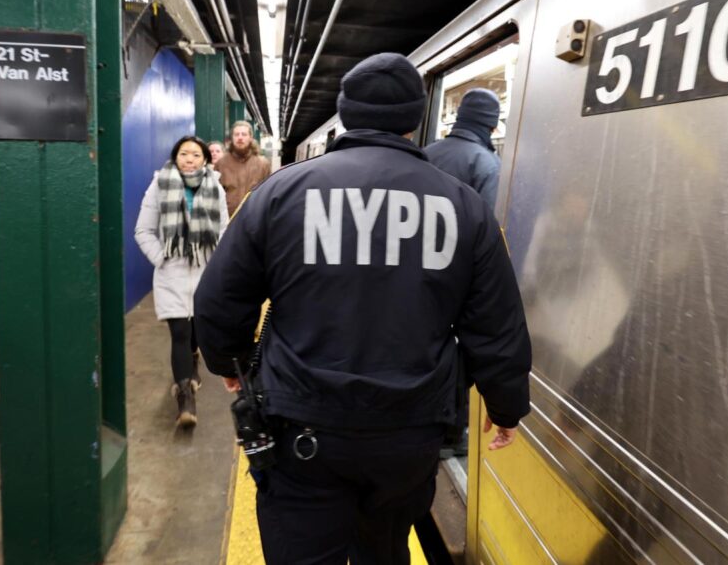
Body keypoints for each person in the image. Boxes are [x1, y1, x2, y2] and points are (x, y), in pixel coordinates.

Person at [195, 53, 531, 564]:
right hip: (409, 432)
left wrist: (231, 363)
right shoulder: (465, 207)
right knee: (386, 548)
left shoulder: (281, 193)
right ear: (416, 118)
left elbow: (219, 300)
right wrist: (506, 405)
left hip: (302, 429)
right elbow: (496, 325)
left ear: (345, 113)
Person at [423, 88, 503, 458]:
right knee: (456, 355)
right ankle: (449, 435)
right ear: (490, 124)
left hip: (415, 273)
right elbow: (488, 229)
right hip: (456, 277)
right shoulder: (486, 164)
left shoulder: (426, 154)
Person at [135, 135, 229, 428]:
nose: (189, 159)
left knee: (196, 331)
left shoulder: (215, 188)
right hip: (172, 273)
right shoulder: (159, 186)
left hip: (205, 272)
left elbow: (224, 230)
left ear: (205, 160)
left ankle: (194, 358)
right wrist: (162, 258)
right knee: (179, 332)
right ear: (175, 157)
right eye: (184, 154)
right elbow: (143, 230)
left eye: (196, 155)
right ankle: (185, 397)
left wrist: (216, 264)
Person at [424, 88, 502, 209]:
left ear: (460, 117)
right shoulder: (489, 165)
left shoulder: (426, 152)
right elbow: (490, 220)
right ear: (492, 126)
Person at [214, 120, 271, 216]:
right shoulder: (221, 164)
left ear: (250, 138)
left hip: (254, 219)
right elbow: (214, 195)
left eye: (244, 134)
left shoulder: (263, 164)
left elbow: (267, 194)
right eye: (236, 134)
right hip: (228, 220)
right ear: (232, 138)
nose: (240, 138)